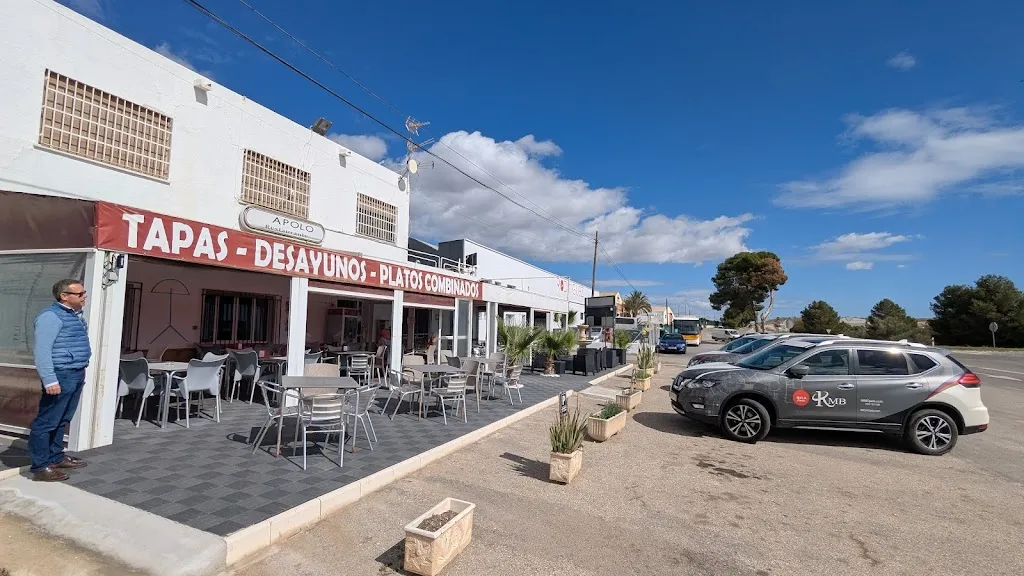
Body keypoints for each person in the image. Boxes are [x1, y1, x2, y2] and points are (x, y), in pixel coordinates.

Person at [29, 279, 92, 482]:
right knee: (46, 421)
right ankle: (40, 466)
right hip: (61, 374)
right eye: (80, 294)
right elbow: (42, 351)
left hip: (75, 373)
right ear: (64, 296)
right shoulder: (50, 317)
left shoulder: (74, 316)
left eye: (84, 293)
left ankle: (56, 457)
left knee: (63, 418)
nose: (84, 296)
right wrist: (49, 380)